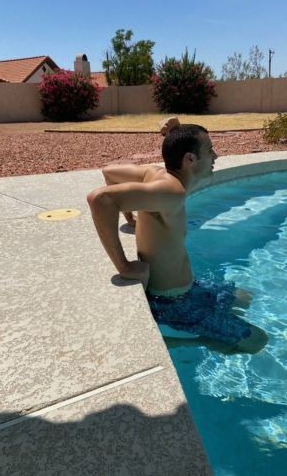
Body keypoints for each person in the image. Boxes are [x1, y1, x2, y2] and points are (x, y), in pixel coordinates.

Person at [87, 124, 268, 354]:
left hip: (189, 290)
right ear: (190, 159)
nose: (216, 155)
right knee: (258, 341)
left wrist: (130, 217)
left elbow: (109, 173)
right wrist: (123, 266)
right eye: (210, 149)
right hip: (174, 305)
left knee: (243, 298)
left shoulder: (154, 174)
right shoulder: (172, 193)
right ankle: (196, 341)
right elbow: (100, 199)